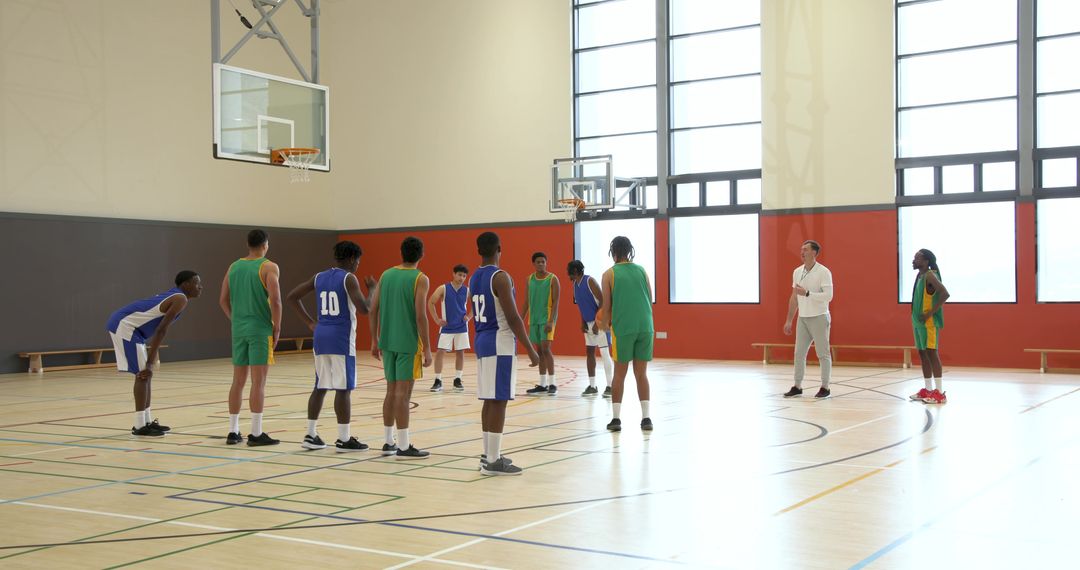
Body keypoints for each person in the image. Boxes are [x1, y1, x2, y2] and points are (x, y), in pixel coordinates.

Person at [285, 241, 376, 452]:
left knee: (321, 385)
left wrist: (309, 322)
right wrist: (372, 289)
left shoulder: (319, 277)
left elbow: (292, 297)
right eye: (359, 261)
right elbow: (365, 308)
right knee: (343, 389)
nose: (358, 265)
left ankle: (310, 434)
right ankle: (344, 439)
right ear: (352, 259)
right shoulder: (349, 278)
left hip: (321, 335)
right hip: (340, 338)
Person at [470, 232, 540, 475]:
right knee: (499, 400)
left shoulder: (474, 277)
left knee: (490, 399)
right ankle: (492, 461)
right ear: (500, 248)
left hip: (482, 340)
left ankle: (489, 454)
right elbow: (513, 317)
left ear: (479, 250)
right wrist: (531, 349)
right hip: (499, 342)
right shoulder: (500, 277)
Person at [106, 271, 202, 437]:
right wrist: (150, 363)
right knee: (142, 374)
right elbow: (161, 330)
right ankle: (139, 426)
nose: (200, 287)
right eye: (197, 283)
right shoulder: (180, 298)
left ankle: (147, 421)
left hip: (133, 329)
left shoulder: (177, 297)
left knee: (146, 375)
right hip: (125, 326)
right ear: (185, 284)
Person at [369, 236, 432, 459]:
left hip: (387, 341)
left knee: (391, 392)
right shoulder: (420, 279)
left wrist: (374, 340)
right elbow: (420, 315)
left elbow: (373, 309)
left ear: (401, 253)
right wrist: (427, 347)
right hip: (407, 343)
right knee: (403, 395)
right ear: (421, 255)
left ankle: (388, 441)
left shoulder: (386, 275)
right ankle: (404, 446)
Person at [220, 229, 282, 446]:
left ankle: (233, 430)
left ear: (248, 244)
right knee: (259, 382)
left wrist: (235, 319)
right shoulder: (268, 266)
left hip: (239, 330)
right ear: (265, 244)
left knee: (238, 381)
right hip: (259, 330)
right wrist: (277, 327)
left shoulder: (233, 266)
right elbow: (276, 301)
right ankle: (256, 433)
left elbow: (223, 300)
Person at [598, 236, 654, 432]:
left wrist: (603, 324)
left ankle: (616, 419)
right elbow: (650, 297)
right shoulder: (642, 270)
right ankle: (646, 419)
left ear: (613, 252)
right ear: (630, 251)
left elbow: (606, 306)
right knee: (641, 374)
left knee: (619, 374)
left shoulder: (608, 274)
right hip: (646, 325)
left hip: (624, 328)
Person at [782, 240, 834, 399]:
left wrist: (808, 294)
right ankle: (797, 386)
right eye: (801, 249)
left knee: (822, 354)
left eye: (805, 249)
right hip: (803, 319)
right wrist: (789, 319)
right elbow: (794, 297)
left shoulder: (824, 272)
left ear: (814, 253)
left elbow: (829, 296)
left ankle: (825, 387)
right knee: (799, 353)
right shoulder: (797, 272)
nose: (802, 252)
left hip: (819, 317)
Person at [909, 248, 950, 404]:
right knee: (923, 354)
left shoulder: (930, 275)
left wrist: (929, 313)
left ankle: (939, 393)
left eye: (917, 258)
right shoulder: (920, 275)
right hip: (918, 322)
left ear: (926, 261)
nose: (914, 260)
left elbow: (945, 293)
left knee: (932, 354)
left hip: (929, 323)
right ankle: (928, 389)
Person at [567, 260, 613, 397]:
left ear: (575, 271)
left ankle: (610, 386)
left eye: (569, 271)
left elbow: (604, 301)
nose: (567, 274)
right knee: (589, 352)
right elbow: (581, 306)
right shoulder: (575, 285)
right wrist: (583, 322)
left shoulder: (590, 281)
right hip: (588, 323)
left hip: (600, 321)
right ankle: (592, 386)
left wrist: (597, 323)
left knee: (604, 353)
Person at [427, 264, 472, 392]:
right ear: (453, 274)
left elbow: (476, 304)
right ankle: (438, 380)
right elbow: (431, 302)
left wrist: (469, 316)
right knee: (440, 352)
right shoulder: (443, 288)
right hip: (447, 327)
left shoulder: (467, 290)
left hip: (462, 327)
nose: (461, 278)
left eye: (464, 276)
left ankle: (457, 379)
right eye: (459, 275)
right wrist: (436, 319)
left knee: (460, 353)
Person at [523, 252, 560, 395]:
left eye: (543, 262)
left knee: (546, 349)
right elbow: (526, 301)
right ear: (533, 264)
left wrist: (551, 320)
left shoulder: (553, 279)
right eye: (538, 262)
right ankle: (543, 384)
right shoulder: (529, 279)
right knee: (539, 351)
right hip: (534, 319)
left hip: (547, 319)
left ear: (546, 263)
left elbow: (556, 301)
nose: (541, 264)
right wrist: (520, 318)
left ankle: (552, 383)